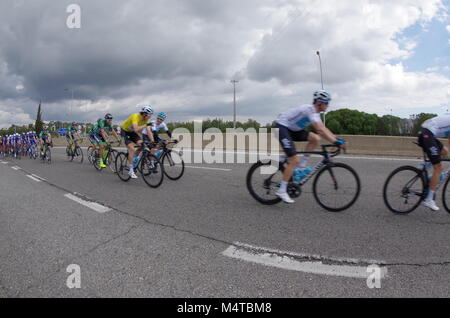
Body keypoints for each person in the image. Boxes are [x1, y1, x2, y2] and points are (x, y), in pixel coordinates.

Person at [275, 90, 346, 203]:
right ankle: (282, 190)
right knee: (294, 160)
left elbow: (324, 129)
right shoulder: (309, 110)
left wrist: (337, 139)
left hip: (293, 130)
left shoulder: (316, 114)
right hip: (282, 127)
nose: (328, 105)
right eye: (326, 103)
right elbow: (320, 130)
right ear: (319, 102)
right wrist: (336, 142)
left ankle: (301, 166)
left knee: (315, 138)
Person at [417, 115, 450, 211]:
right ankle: (429, 200)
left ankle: (425, 168)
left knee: (444, 152)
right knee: (439, 168)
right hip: (427, 134)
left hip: (427, 133)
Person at [120, 106, 155, 179]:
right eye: (149, 115)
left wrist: (152, 141)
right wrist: (145, 125)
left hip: (132, 132)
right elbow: (136, 129)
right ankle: (131, 170)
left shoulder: (147, 120)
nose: (150, 116)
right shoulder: (135, 116)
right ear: (144, 114)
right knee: (132, 149)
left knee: (143, 145)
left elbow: (148, 131)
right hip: (125, 131)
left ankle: (134, 158)